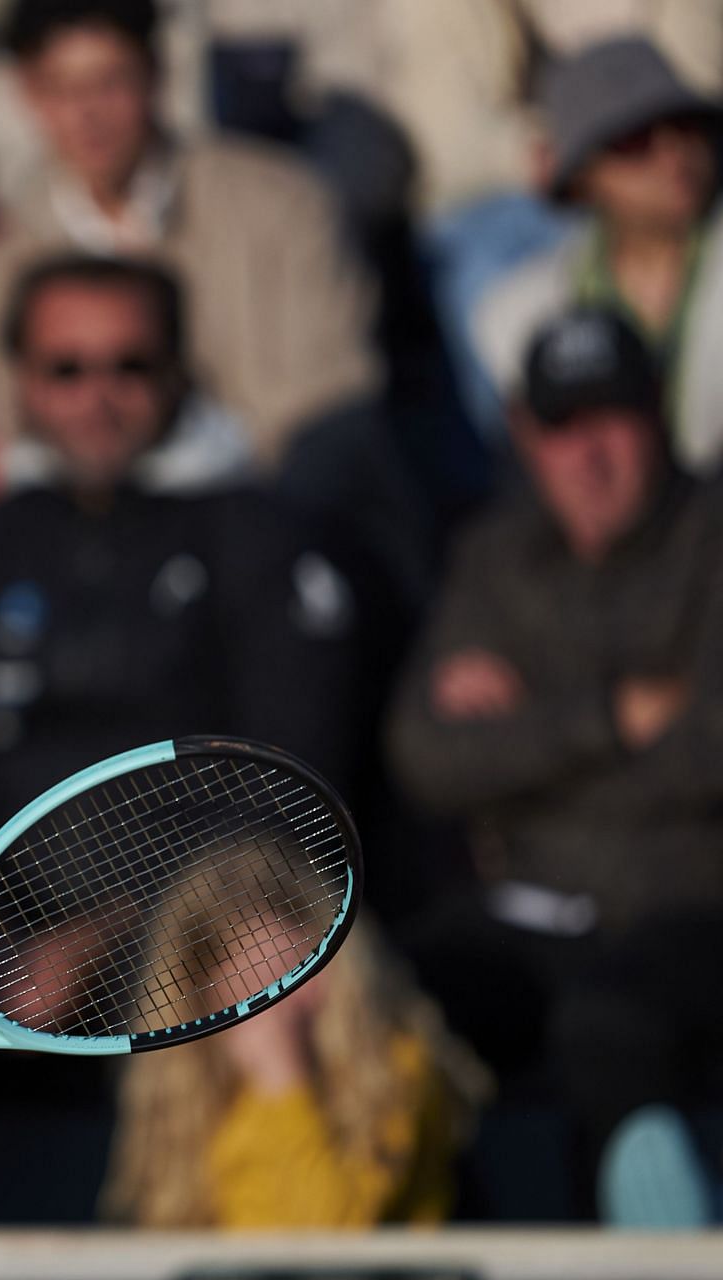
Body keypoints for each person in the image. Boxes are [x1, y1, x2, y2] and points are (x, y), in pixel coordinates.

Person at [0, 254, 362, 918]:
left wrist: (125, 935)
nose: (98, 400)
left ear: (177, 374)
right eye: (66, 370)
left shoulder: (260, 537)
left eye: (130, 366)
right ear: (22, 380)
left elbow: (294, 783)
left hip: (210, 943)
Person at [388, 307, 723, 1205]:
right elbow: (426, 758)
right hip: (527, 915)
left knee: (611, 1023)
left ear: (658, 413)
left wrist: (520, 748)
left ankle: (660, 1263)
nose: (589, 454)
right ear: (525, 435)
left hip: (691, 907)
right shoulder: (495, 558)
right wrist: (612, 717)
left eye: (610, 419)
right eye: (562, 427)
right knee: (382, 1004)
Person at [0, 0, 380, 466]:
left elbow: (328, 400)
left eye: (111, 83)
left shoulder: (281, 207)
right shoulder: (5, 259)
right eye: (61, 90)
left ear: (157, 76)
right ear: (29, 97)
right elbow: (14, 433)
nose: (88, 114)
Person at [101, 911, 488, 1229]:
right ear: (200, 999)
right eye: (249, 986)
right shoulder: (189, 1101)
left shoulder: (399, 1070)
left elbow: (322, 1241)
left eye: (293, 976)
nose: (274, 1008)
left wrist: (282, 1078)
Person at [473, 38, 723, 472]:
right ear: (583, 176)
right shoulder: (518, 317)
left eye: (685, 126)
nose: (672, 155)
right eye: (633, 141)